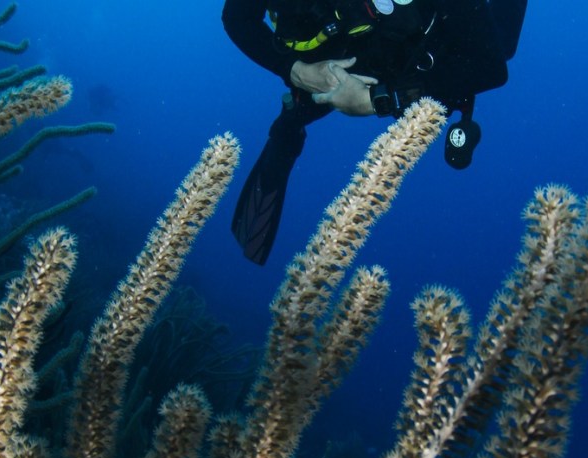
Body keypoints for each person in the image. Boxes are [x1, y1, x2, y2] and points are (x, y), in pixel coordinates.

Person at [223, 0, 527, 264]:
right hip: (324, 58)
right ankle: (289, 126)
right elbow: (237, 17)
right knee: (293, 119)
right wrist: (295, 70)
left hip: (411, 61)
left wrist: (377, 99)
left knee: (499, 46)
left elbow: (490, 67)